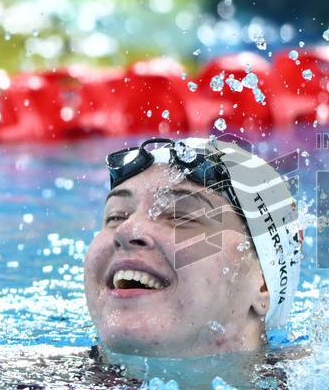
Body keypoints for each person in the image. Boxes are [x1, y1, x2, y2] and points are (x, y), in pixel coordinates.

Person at [84, 135, 302, 362]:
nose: (126, 231)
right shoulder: (47, 386)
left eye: (179, 217)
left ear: (263, 283)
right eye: (116, 216)